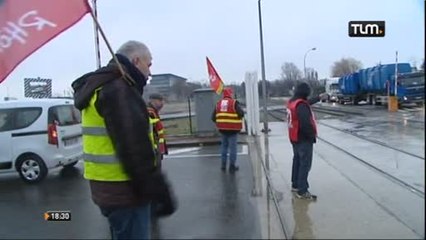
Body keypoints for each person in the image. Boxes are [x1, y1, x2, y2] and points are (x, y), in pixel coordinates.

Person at [71, 40, 176, 239]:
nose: (150, 72)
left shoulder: (98, 87)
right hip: (126, 191)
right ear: (136, 61)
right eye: (149, 64)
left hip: (106, 188)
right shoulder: (119, 89)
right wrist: (159, 191)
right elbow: (134, 149)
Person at [287, 82, 327, 200]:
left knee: (297, 160)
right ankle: (302, 190)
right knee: (305, 164)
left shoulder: (293, 102)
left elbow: (306, 103)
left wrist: (319, 98)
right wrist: (312, 135)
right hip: (303, 138)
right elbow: (305, 123)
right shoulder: (301, 105)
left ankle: (295, 184)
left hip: (294, 137)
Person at [212, 87, 244, 172]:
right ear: (230, 94)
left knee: (224, 147)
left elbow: (213, 117)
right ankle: (232, 166)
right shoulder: (234, 103)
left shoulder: (218, 103)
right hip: (233, 130)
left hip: (222, 129)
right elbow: (241, 114)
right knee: (232, 148)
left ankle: (223, 165)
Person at [147, 93, 168, 168]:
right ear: (153, 101)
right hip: (153, 148)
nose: (162, 103)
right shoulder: (150, 112)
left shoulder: (154, 112)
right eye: (160, 101)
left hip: (156, 148)